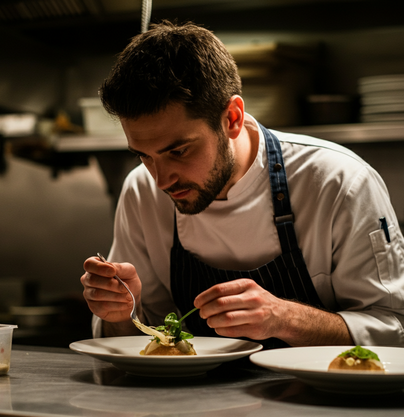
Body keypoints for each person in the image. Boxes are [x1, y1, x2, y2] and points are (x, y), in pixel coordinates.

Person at [81, 20, 404, 348]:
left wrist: (284, 317)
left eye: (178, 151)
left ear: (232, 118)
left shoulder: (338, 183)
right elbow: (134, 343)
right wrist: (120, 315)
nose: (161, 180)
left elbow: (393, 329)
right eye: (144, 156)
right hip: (185, 398)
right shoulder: (141, 191)